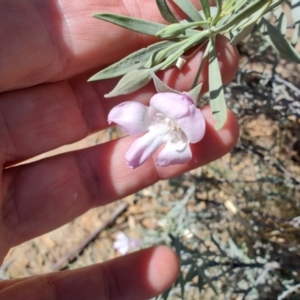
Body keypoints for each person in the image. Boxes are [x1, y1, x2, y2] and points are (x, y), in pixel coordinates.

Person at [0, 1, 239, 299]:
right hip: (168, 116)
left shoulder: (164, 126)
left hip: (169, 114)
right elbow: (147, 121)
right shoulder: (159, 127)